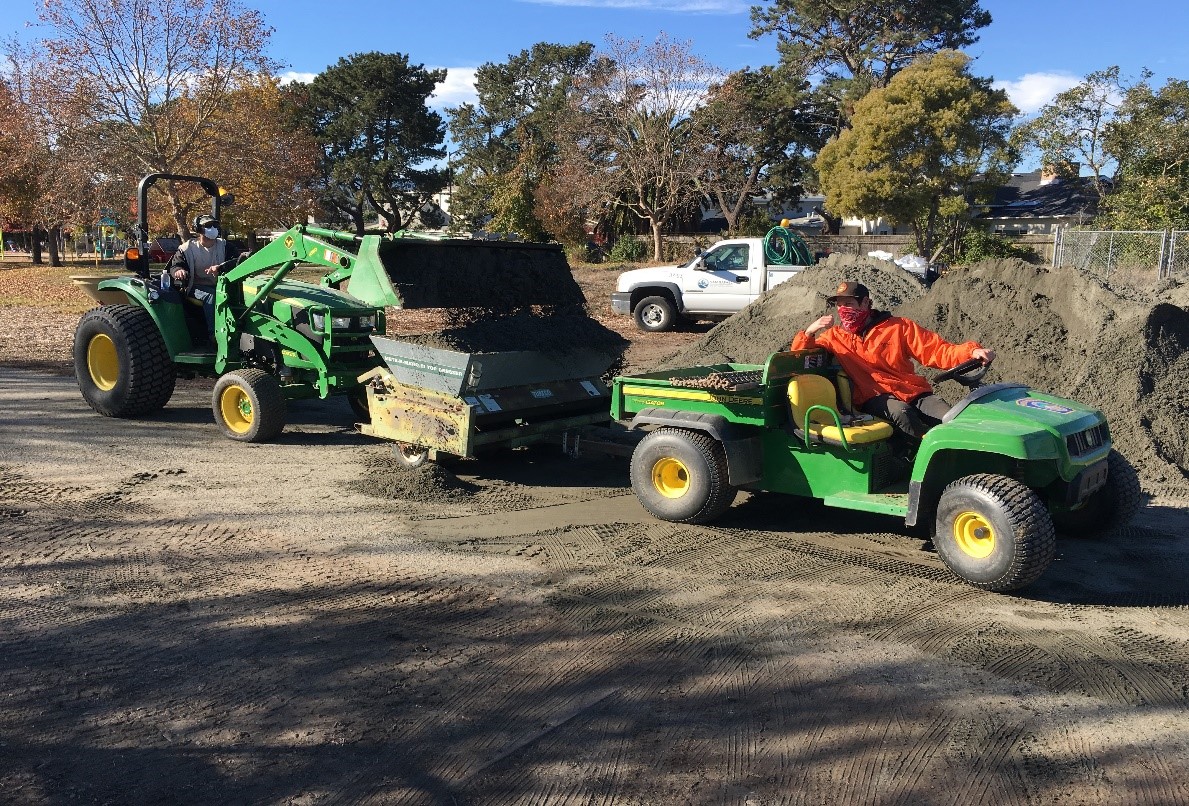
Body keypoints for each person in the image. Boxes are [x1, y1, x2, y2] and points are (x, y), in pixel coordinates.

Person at [790, 280, 996, 440]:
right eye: (840, 306)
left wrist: (972, 352)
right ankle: (921, 465)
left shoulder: (899, 327)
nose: (844, 311)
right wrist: (809, 332)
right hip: (874, 397)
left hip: (912, 392)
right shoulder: (834, 336)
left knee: (951, 417)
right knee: (902, 413)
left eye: (849, 304)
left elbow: (937, 350)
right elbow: (800, 358)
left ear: (866, 303)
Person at [168, 214, 240, 342]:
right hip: (195, 287)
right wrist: (179, 271)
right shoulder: (187, 249)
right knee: (212, 296)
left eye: (215, 226)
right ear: (198, 229)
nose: (213, 228)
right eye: (208, 226)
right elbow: (175, 266)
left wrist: (221, 267)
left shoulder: (224, 246)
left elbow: (237, 261)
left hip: (221, 285)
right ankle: (215, 335)